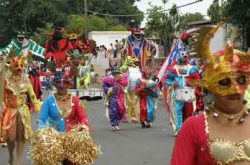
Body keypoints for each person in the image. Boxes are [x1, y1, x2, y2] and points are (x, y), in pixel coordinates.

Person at [171, 25, 250, 164]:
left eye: (241, 80)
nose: (236, 90)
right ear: (209, 85)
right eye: (224, 82)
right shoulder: (193, 127)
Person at [38, 73, 91, 165]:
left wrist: (83, 127)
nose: (62, 87)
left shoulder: (75, 100)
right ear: (55, 85)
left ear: (68, 85)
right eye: (59, 85)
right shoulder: (48, 102)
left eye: (65, 84)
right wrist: (44, 131)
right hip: (54, 141)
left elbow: (83, 117)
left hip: (72, 140)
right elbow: (41, 120)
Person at [0, 53, 41, 165]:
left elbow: (32, 95)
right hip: (10, 111)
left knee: (21, 138)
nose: (20, 69)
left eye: (21, 66)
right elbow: (2, 96)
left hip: (23, 111)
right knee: (11, 138)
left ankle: (18, 162)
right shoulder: (6, 80)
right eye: (17, 66)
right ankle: (11, 155)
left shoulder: (26, 80)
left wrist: (38, 107)